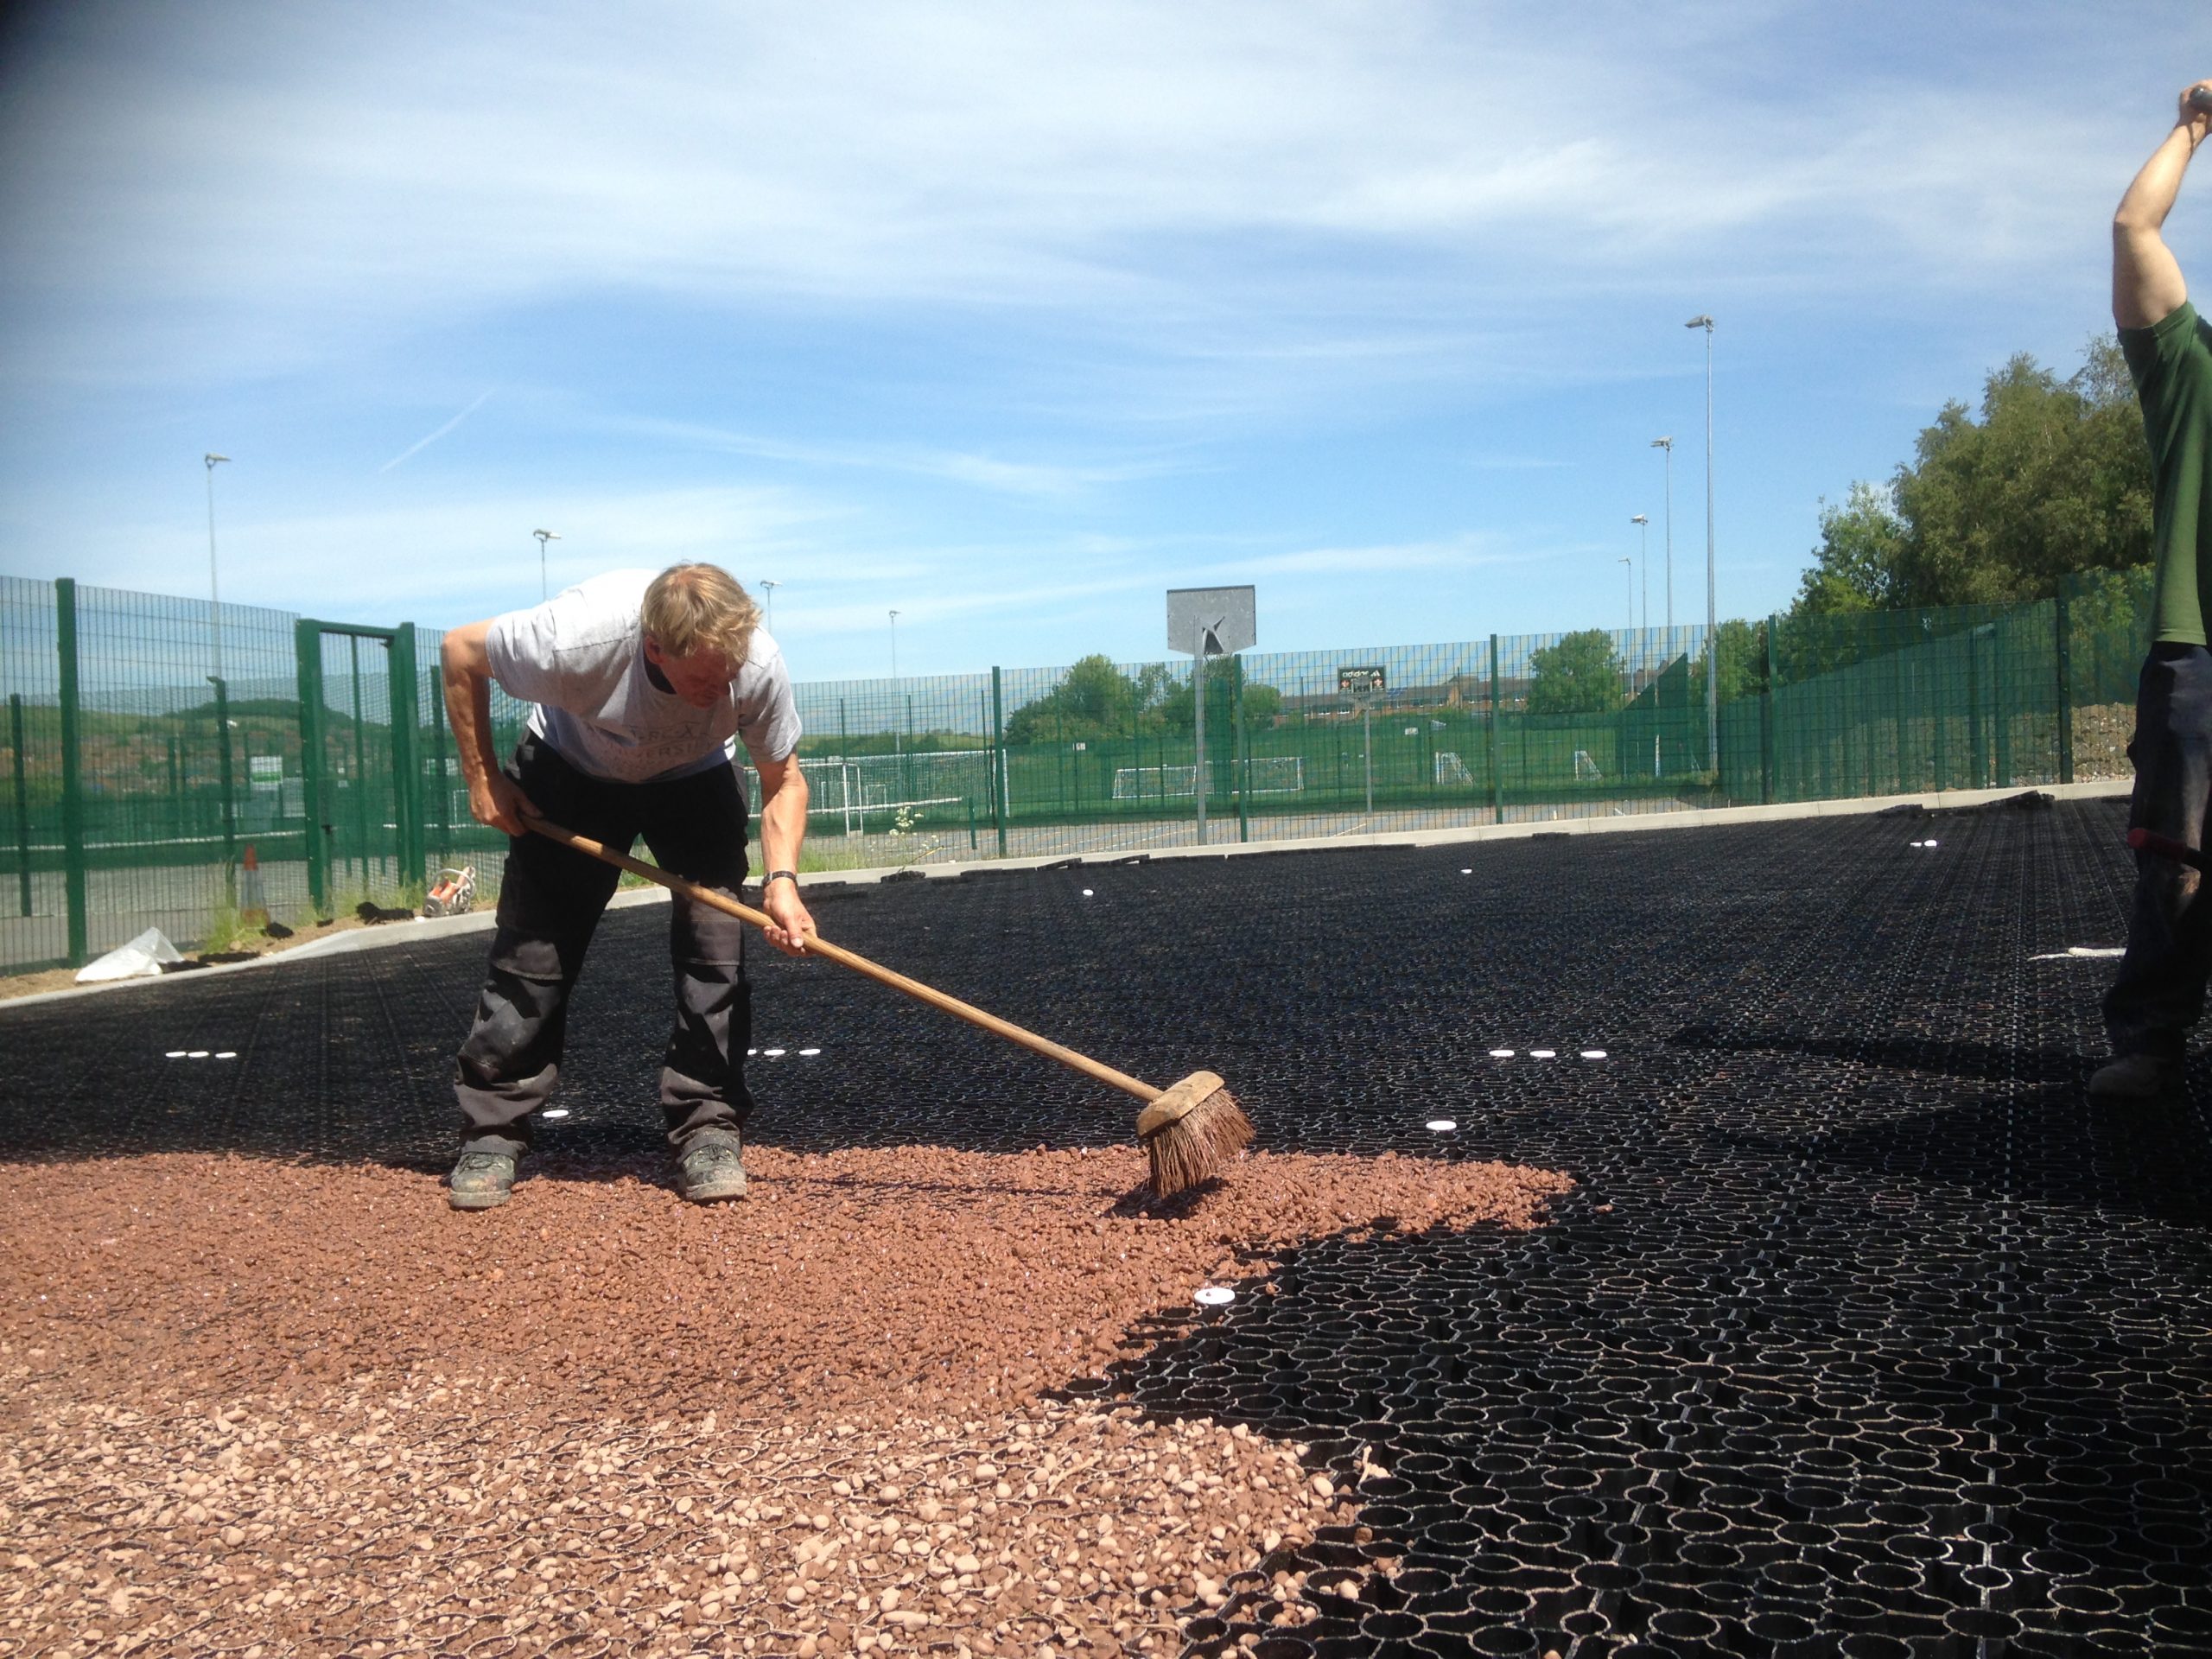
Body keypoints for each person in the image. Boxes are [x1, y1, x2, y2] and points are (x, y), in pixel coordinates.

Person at [438, 563, 817, 1206]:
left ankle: (708, 1128)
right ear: (654, 647)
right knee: (534, 954)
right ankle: (493, 1133)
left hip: (695, 778)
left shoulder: (753, 665)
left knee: (715, 946)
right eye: (701, 674)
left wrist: (784, 882)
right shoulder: (572, 640)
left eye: (727, 671)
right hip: (571, 766)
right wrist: (482, 778)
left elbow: (784, 780)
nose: (718, 685)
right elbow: (458, 652)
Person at [2098, 80, 2212, 1100]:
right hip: (2199, 651)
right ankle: (2153, 1041)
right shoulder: (2190, 368)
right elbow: (2134, 225)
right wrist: (2195, 129)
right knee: (2179, 854)